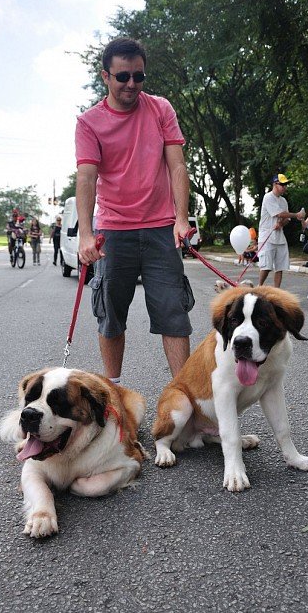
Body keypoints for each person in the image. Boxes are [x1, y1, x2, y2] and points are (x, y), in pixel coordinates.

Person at [75, 37, 193, 384]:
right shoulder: (89, 122)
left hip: (161, 228)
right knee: (110, 316)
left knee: (174, 313)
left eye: (138, 77)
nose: (132, 84)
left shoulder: (160, 109)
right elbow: (86, 175)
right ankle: (113, 396)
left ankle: (184, 403)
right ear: (105, 77)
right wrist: (85, 234)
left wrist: (182, 218)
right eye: (123, 76)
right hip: (112, 231)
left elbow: (176, 166)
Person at [258, 174, 305, 288]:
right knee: (267, 266)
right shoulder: (268, 197)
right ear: (275, 184)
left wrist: (281, 224)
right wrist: (297, 215)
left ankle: (277, 291)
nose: (285, 187)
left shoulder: (283, 201)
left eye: (286, 185)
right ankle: (259, 287)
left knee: (280, 267)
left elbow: (286, 219)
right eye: (282, 184)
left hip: (279, 236)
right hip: (267, 236)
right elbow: (279, 213)